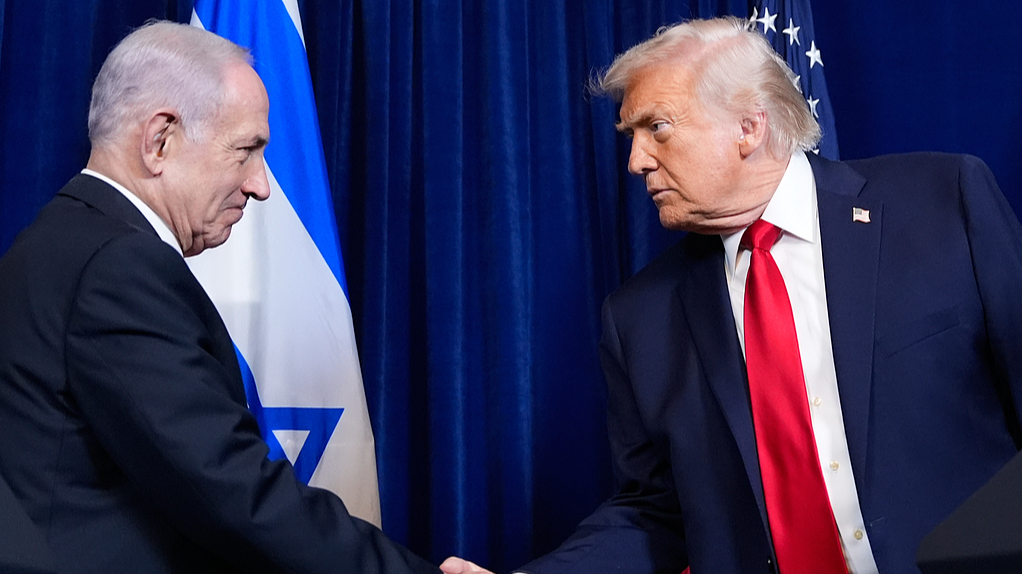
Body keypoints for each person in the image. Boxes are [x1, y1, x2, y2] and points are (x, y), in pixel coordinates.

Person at [442, 15, 1022, 574]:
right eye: (631, 136)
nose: (636, 161)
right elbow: (654, 517)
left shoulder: (944, 204)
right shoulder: (639, 319)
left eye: (656, 128)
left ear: (748, 126)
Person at [0, 21, 441, 574]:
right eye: (246, 150)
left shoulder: (55, 241)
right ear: (160, 141)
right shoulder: (117, 267)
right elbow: (233, 491)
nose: (261, 185)